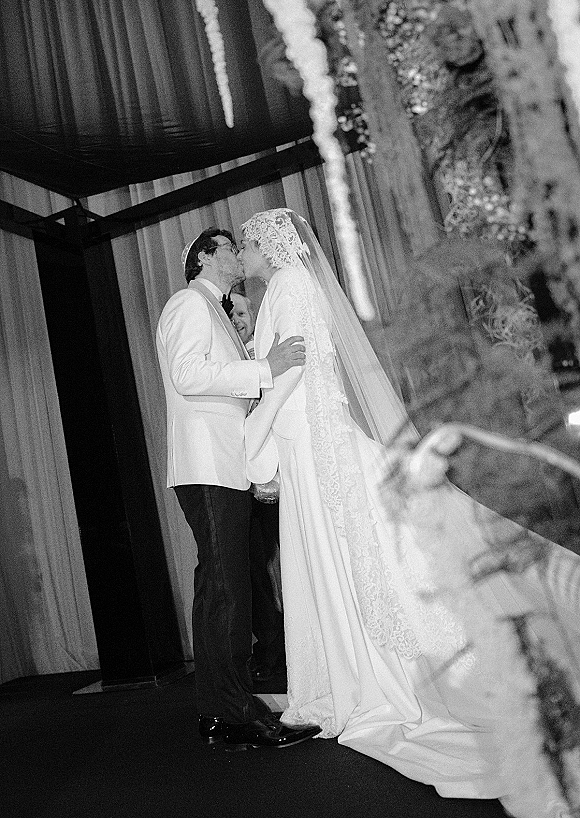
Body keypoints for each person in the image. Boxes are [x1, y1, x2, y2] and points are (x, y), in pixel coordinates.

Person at [238, 209, 580, 812]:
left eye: (247, 244)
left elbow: (290, 375)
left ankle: (368, 675)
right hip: (310, 435)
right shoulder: (292, 286)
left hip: (309, 438)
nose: (244, 255)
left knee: (347, 552)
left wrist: (255, 442)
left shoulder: (286, 286)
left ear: (269, 246)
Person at [155, 226, 320, 749]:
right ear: (205, 256)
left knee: (225, 585)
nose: (237, 253)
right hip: (206, 464)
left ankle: (225, 706)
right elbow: (187, 374)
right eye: (228, 246)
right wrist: (264, 368)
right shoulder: (188, 303)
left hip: (225, 465)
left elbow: (224, 383)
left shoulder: (219, 311)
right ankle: (229, 714)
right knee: (226, 586)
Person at [230, 289, 286, 682]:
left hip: (282, 472)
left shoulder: (270, 356)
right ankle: (270, 649)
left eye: (242, 312)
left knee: (291, 559)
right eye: (230, 315)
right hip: (244, 480)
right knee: (254, 568)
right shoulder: (230, 363)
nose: (237, 321)